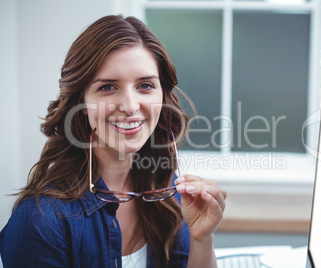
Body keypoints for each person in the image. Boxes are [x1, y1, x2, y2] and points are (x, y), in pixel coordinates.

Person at [0, 15, 226, 268]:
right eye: (108, 87)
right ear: (81, 103)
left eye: (145, 85)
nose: (130, 106)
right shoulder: (41, 221)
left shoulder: (168, 192)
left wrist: (202, 239)